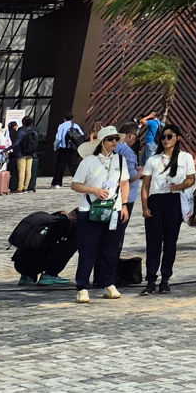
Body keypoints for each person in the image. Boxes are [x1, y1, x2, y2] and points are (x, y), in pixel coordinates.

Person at [68, 125, 131, 303]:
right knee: (88, 249)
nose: (114, 142)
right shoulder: (89, 161)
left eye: (116, 139)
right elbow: (75, 184)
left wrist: (124, 205)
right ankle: (82, 286)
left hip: (113, 209)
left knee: (110, 249)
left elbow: (124, 183)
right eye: (110, 139)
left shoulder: (120, 160)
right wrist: (93, 190)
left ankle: (108, 283)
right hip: (90, 210)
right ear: (102, 142)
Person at [140, 126, 196, 295]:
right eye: (163, 137)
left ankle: (165, 278)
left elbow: (191, 179)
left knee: (170, 242)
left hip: (174, 199)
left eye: (169, 136)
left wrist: (178, 186)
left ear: (177, 138)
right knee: (153, 242)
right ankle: (151, 279)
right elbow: (146, 186)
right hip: (156, 200)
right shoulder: (153, 160)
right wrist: (145, 206)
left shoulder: (185, 157)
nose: (166, 139)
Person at [50, 115, 83, 189]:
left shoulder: (61, 126)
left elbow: (58, 138)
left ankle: (57, 183)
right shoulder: (76, 125)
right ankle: (79, 181)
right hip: (73, 149)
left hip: (64, 149)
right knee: (74, 166)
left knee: (60, 166)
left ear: (64, 118)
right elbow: (81, 135)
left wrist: (55, 147)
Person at [13, 119, 41, 192]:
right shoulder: (35, 129)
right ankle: (26, 187)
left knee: (21, 171)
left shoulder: (21, 129)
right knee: (29, 171)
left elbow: (17, 142)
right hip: (31, 153)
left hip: (22, 153)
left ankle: (20, 188)